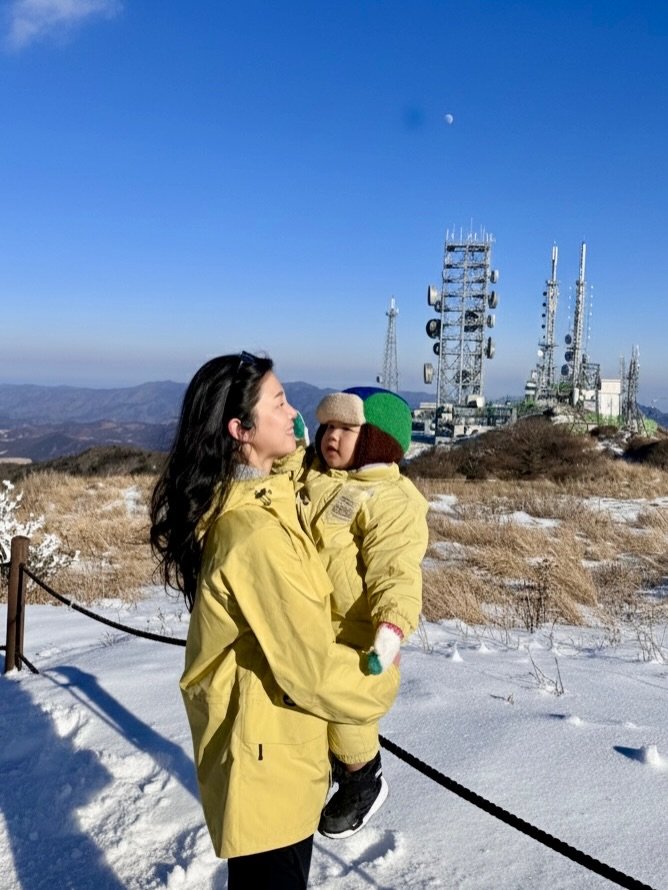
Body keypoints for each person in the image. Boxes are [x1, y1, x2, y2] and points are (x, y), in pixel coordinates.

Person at [149, 354, 400, 890]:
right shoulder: (255, 536)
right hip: (267, 764)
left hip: (274, 749)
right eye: (279, 403)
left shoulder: (257, 501)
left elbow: (292, 491)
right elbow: (310, 671)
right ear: (240, 430)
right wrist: (381, 683)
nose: (294, 415)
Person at [285, 386, 429, 839]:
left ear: (375, 440)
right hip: (313, 621)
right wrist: (293, 447)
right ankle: (329, 767)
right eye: (328, 426)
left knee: (350, 716)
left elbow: (397, 569)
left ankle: (363, 780)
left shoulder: (390, 500)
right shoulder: (324, 476)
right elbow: (295, 481)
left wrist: (391, 627)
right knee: (314, 704)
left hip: (359, 633)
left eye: (347, 429)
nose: (332, 437)